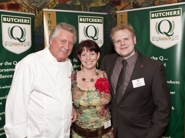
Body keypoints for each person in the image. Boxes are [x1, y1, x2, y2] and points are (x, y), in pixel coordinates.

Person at [4, 22, 77, 138]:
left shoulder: (68, 64)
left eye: (71, 43)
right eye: (62, 41)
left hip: (63, 133)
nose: (67, 47)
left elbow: (63, 93)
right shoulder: (29, 64)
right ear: (51, 40)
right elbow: (16, 104)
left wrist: (70, 106)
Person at [101, 24, 171, 138]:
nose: (122, 43)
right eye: (118, 41)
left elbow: (163, 107)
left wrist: (153, 135)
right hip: (111, 131)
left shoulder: (153, 67)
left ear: (134, 40)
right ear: (114, 45)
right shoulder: (107, 61)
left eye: (126, 39)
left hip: (141, 132)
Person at [71, 39, 114, 138]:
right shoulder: (72, 79)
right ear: (79, 57)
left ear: (98, 55)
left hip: (106, 134)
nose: (88, 58)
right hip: (79, 134)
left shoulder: (106, 75)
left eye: (92, 54)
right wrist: (71, 107)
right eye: (84, 55)